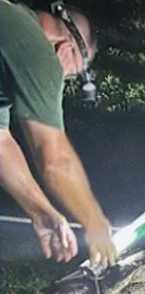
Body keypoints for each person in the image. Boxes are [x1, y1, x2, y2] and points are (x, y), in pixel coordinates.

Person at [0, 0, 117, 267]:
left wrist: (42, 212)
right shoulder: (39, 54)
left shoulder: (11, 39)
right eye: (70, 76)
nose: (61, 80)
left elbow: (1, 142)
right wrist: (94, 221)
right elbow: (55, 160)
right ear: (67, 49)